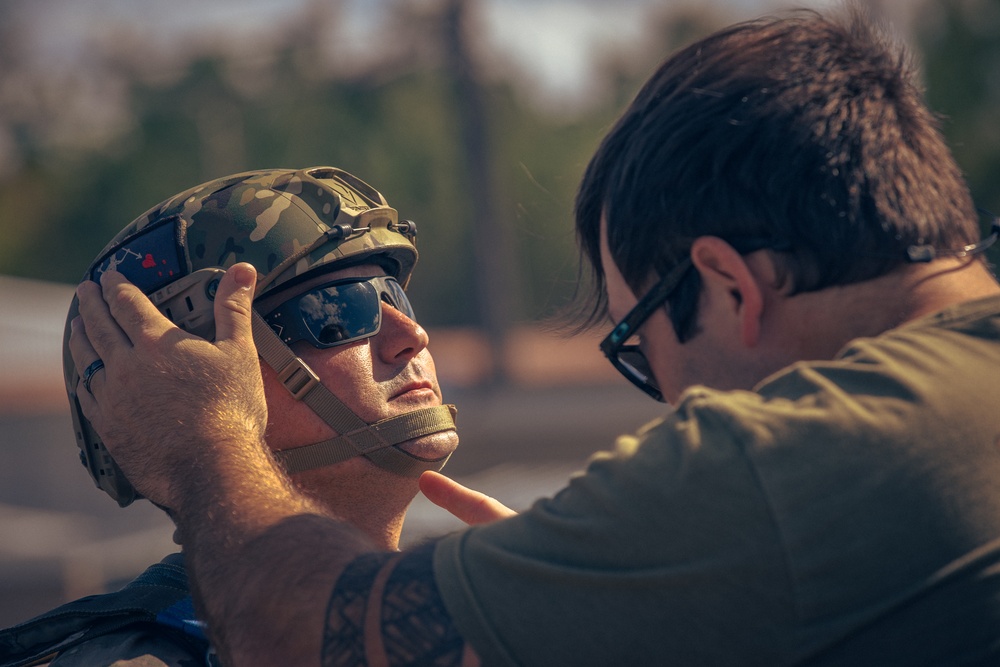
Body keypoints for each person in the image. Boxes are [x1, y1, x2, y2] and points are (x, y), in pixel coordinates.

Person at [57, 6, 1000, 665]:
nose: (404, 333)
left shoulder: (799, 465)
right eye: (334, 310)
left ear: (727, 285)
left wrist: (208, 452)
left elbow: (299, 640)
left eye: (638, 344)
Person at [0, 166, 460, 666]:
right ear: (183, 382)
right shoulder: (136, 658)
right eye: (340, 311)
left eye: (396, 298)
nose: (412, 335)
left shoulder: (475, 608)